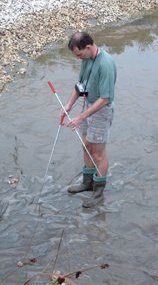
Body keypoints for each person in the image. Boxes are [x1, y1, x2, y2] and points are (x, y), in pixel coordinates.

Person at [62, 32, 116, 208]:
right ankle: (87, 183)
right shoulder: (86, 60)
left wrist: (80, 117)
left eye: (79, 54)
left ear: (88, 47)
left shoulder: (106, 64)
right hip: (88, 104)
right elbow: (81, 86)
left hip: (101, 110)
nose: (78, 59)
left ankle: (98, 194)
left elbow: (106, 98)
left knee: (99, 153)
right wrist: (69, 105)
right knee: (86, 145)